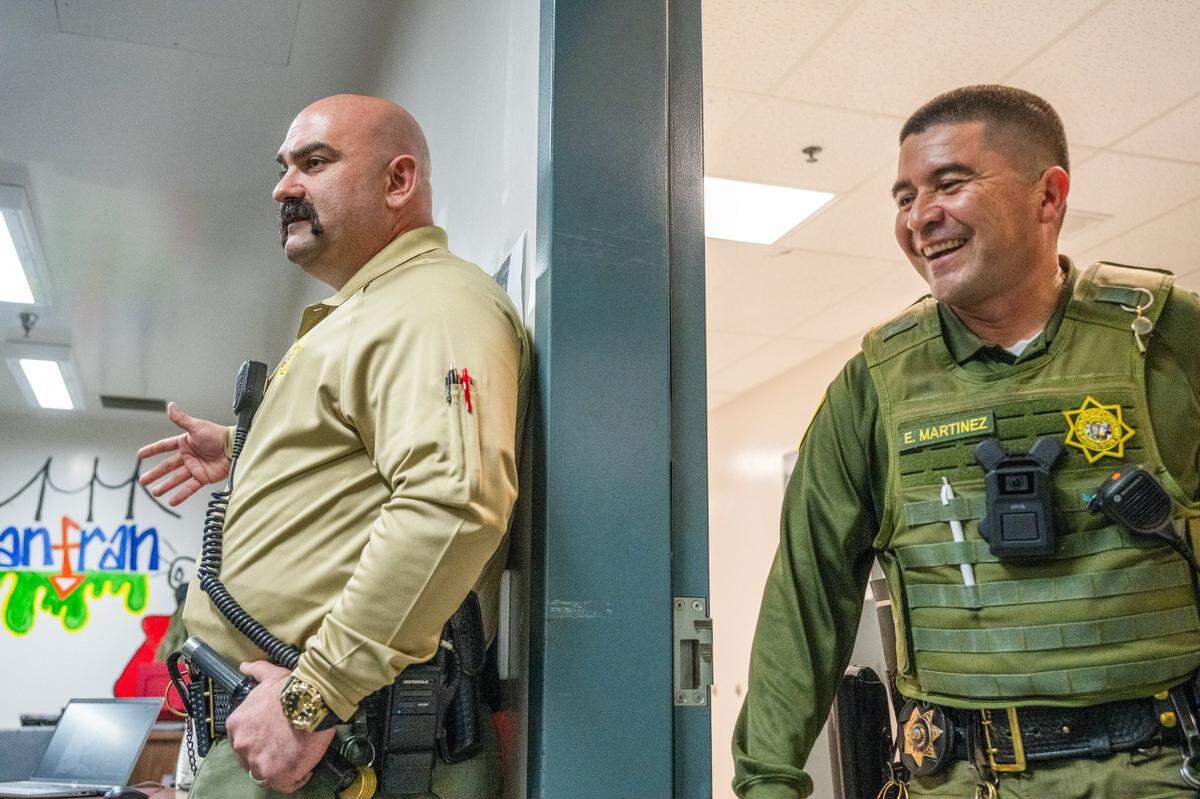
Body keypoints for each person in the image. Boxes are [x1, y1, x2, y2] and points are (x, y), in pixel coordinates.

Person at [732, 84, 1200, 798]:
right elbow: (807, 599)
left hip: (1164, 770)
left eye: (950, 183)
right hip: (963, 776)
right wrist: (767, 783)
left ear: (1049, 196)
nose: (920, 216)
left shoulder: (1170, 340)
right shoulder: (872, 388)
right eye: (903, 197)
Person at [137, 94, 530, 798]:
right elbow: (369, 450)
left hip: (334, 746)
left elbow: (454, 501)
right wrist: (248, 449)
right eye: (285, 166)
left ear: (398, 181)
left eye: (314, 162)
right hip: (284, 737)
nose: (284, 186)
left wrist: (310, 699)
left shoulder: (435, 303)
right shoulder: (368, 313)